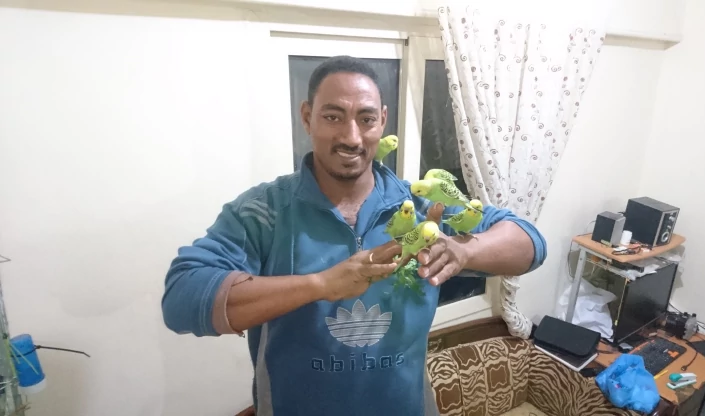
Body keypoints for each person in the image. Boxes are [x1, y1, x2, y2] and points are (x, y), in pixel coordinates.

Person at [161, 55, 547, 416]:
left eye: (366, 119)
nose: (351, 137)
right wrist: (320, 285)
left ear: (382, 121)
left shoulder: (423, 207)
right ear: (307, 117)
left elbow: (529, 242)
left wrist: (463, 251)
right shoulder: (264, 212)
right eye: (333, 117)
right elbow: (182, 298)